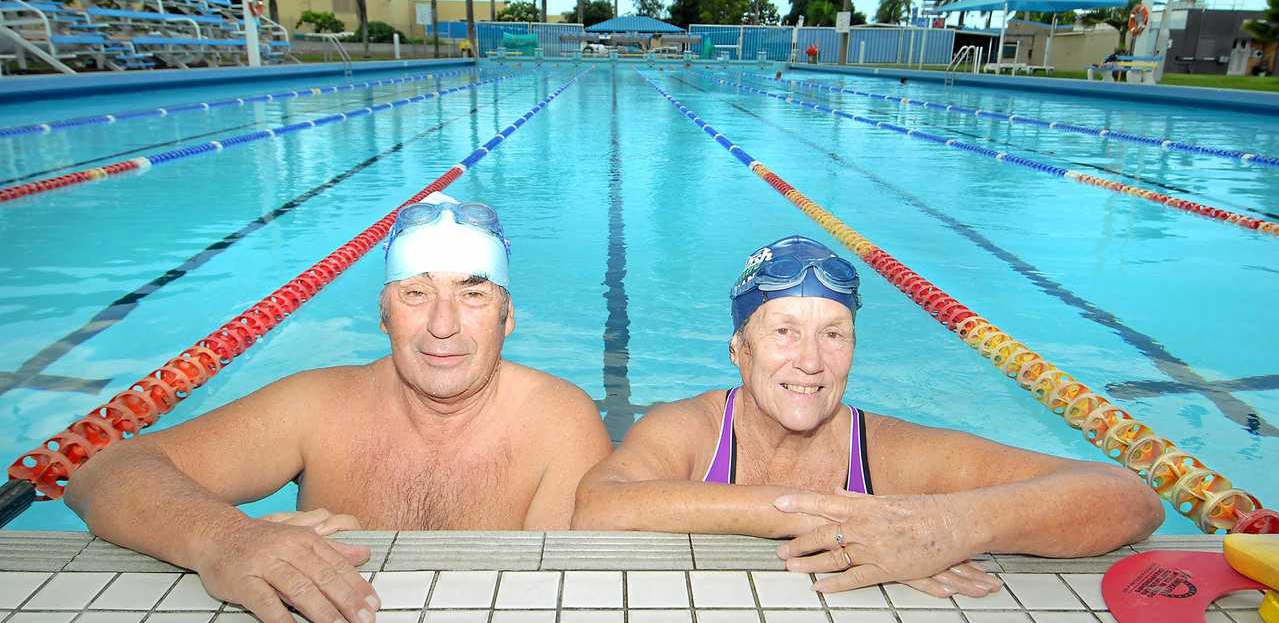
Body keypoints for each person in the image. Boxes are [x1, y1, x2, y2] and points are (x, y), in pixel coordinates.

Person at [66, 193, 612, 623]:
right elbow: (102, 474)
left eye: (473, 295)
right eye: (415, 295)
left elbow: (552, 595)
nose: (443, 326)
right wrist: (229, 540)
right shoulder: (318, 404)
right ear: (383, 317)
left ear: (506, 317)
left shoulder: (558, 422)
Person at [574, 235, 1163, 598]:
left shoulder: (889, 451)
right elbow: (598, 508)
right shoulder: (695, 430)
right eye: (783, 332)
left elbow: (1130, 499)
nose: (810, 361)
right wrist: (843, 523)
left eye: (834, 334)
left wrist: (942, 526)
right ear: (739, 350)